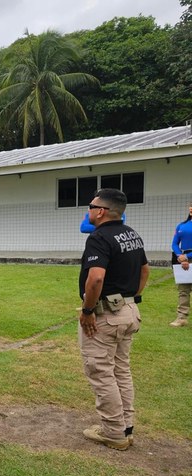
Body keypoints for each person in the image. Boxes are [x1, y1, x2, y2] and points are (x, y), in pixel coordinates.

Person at [79, 188, 148, 451]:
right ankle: (125, 427)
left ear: (101, 211)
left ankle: (113, 433)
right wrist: (133, 298)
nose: (89, 210)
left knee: (101, 371)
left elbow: (95, 278)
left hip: (106, 315)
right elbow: (144, 269)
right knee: (121, 370)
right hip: (129, 311)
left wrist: (87, 311)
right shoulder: (132, 234)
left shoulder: (99, 237)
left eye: (91, 205)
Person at [170, 201, 192, 327]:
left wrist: (187, 256)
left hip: (186, 257)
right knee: (183, 290)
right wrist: (180, 256)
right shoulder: (181, 226)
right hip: (183, 260)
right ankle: (181, 318)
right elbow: (174, 243)